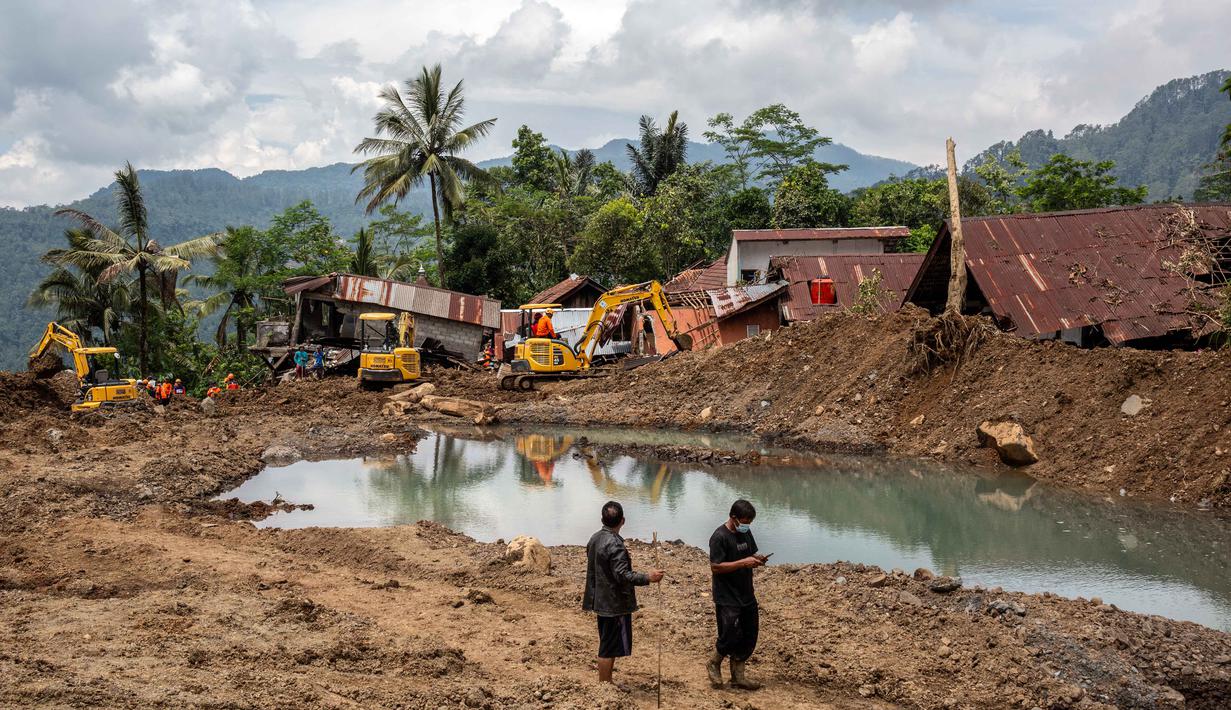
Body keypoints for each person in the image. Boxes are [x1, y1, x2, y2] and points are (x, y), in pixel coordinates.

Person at [582, 500, 664, 685]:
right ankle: (605, 685)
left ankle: (607, 682)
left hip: (600, 599)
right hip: (612, 603)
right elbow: (622, 575)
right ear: (623, 521)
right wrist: (648, 577)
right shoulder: (615, 545)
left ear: (602, 519)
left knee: (607, 642)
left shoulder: (594, 538)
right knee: (608, 646)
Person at [707, 499, 769, 690]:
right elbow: (716, 567)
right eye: (743, 522)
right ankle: (714, 662)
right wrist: (743, 563)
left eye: (749, 523)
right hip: (727, 595)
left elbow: (751, 553)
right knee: (729, 633)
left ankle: (738, 676)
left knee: (750, 634)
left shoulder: (746, 532)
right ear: (733, 518)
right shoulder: (719, 537)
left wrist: (757, 559)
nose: (746, 526)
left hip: (746, 592)